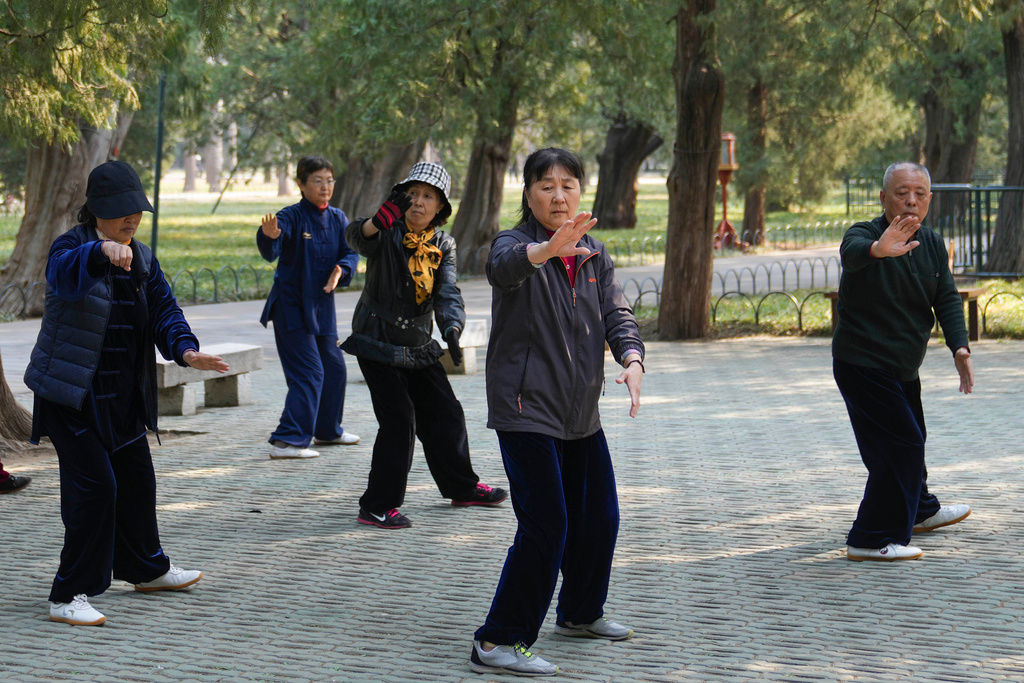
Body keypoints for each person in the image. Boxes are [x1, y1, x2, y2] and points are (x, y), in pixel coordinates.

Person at [25, 160, 229, 626]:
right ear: (96, 211)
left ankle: (145, 569)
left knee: (137, 483)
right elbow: (62, 275)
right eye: (120, 212)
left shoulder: (145, 257)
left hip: (121, 397)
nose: (130, 220)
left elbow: (165, 311)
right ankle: (68, 593)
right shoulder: (71, 247)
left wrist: (186, 350)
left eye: (135, 210)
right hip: (69, 396)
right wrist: (100, 252)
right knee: (96, 489)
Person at [471, 148, 645, 676]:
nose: (558, 195)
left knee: (600, 519)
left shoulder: (593, 252)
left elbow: (617, 312)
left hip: (579, 412)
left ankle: (578, 614)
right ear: (527, 193)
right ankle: (497, 639)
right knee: (547, 525)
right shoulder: (515, 245)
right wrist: (545, 251)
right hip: (525, 409)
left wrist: (632, 359)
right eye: (546, 185)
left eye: (568, 184)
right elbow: (502, 271)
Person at [340, 161, 507, 529]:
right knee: (400, 421)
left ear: (440, 207)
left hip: (417, 345)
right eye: (412, 194)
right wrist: (374, 223)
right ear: (399, 199)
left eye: (428, 196)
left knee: (446, 412)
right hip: (376, 342)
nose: (418, 202)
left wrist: (451, 328)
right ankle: (376, 505)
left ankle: (462, 487)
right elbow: (355, 238)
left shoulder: (443, 243)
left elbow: (448, 292)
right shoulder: (386, 231)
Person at [833, 161, 973, 563]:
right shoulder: (864, 233)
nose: (911, 201)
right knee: (900, 445)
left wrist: (959, 348)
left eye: (920, 194)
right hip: (862, 363)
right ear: (883, 198)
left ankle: (920, 511)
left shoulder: (931, 242)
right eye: (901, 193)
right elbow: (853, 254)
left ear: (929, 199)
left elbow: (946, 296)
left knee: (912, 439)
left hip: (902, 366)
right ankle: (869, 537)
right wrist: (880, 249)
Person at [258, 156, 360, 459]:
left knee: (335, 369)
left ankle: (327, 431)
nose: (325, 186)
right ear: (301, 184)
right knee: (309, 373)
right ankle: (287, 441)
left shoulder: (339, 218)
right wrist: (269, 235)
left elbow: (350, 252)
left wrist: (342, 268)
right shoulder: (291, 216)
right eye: (317, 180)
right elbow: (271, 245)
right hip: (291, 309)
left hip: (322, 309)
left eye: (329, 180)